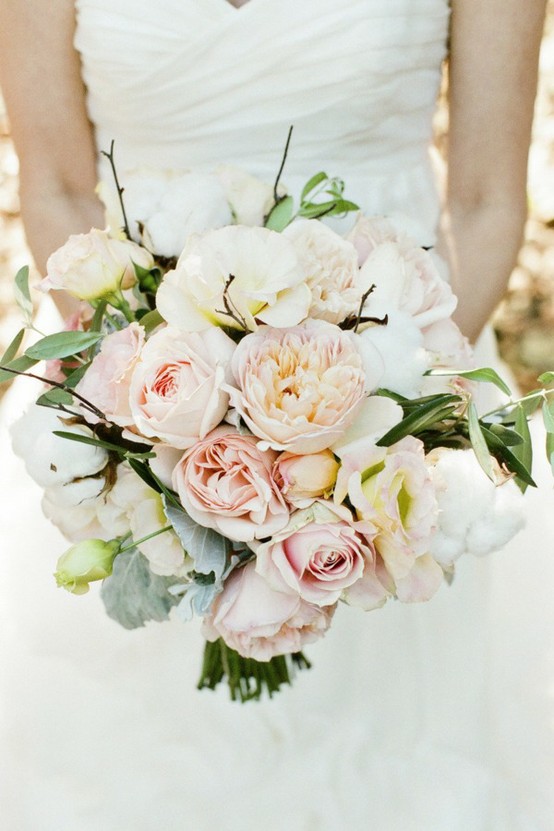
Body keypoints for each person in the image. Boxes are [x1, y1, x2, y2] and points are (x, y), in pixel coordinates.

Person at [0, 1, 552, 829]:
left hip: (400, 398)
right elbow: (58, 185)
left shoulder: (398, 414)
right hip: (134, 397)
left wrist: (386, 423)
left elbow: (481, 202)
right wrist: (143, 416)